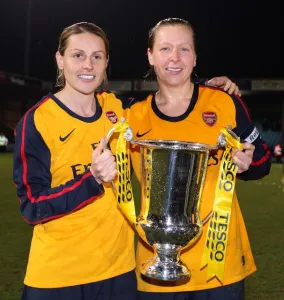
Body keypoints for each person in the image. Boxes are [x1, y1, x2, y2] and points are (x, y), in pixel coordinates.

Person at [13, 21, 242, 300]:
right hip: (57, 276)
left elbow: (169, 99)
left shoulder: (118, 111)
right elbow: (31, 207)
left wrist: (208, 88)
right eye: (77, 55)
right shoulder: (36, 121)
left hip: (118, 274)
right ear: (60, 59)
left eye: (97, 56)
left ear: (106, 62)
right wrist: (92, 180)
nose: (88, 65)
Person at [124, 18, 271, 300]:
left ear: (195, 57)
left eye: (184, 49)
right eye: (165, 49)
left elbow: (261, 158)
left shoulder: (224, 102)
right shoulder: (131, 116)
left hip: (219, 267)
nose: (175, 58)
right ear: (150, 55)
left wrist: (248, 161)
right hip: (155, 268)